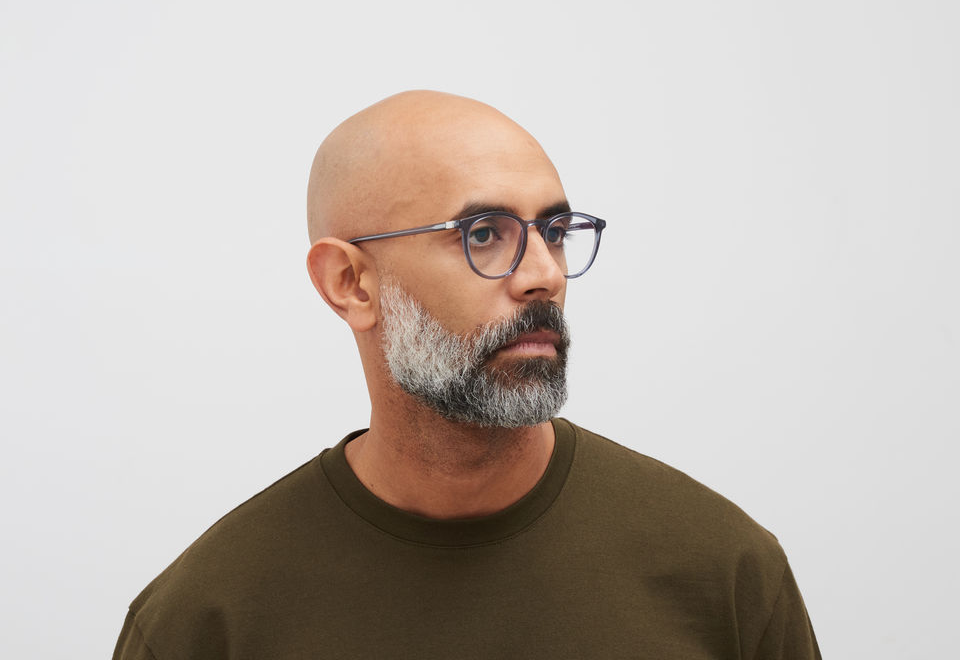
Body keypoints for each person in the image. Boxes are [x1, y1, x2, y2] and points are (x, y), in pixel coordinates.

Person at [112, 90, 821, 659]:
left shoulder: (722, 572)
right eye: (483, 234)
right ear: (350, 284)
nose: (544, 276)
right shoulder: (209, 619)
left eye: (554, 232)